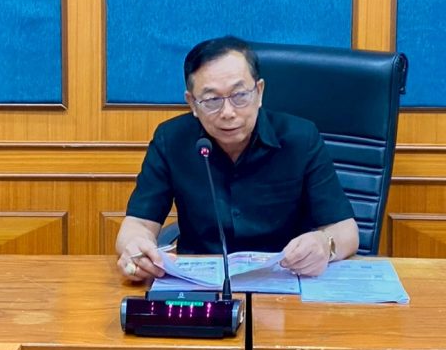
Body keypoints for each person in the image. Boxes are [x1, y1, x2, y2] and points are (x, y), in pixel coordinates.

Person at [115, 35, 359, 281]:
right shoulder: (171, 140)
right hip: (200, 284)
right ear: (192, 103)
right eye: (212, 100)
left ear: (259, 92)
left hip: (286, 279)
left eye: (240, 95)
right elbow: (138, 224)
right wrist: (136, 248)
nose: (228, 112)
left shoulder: (301, 138)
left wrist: (325, 244)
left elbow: (346, 231)